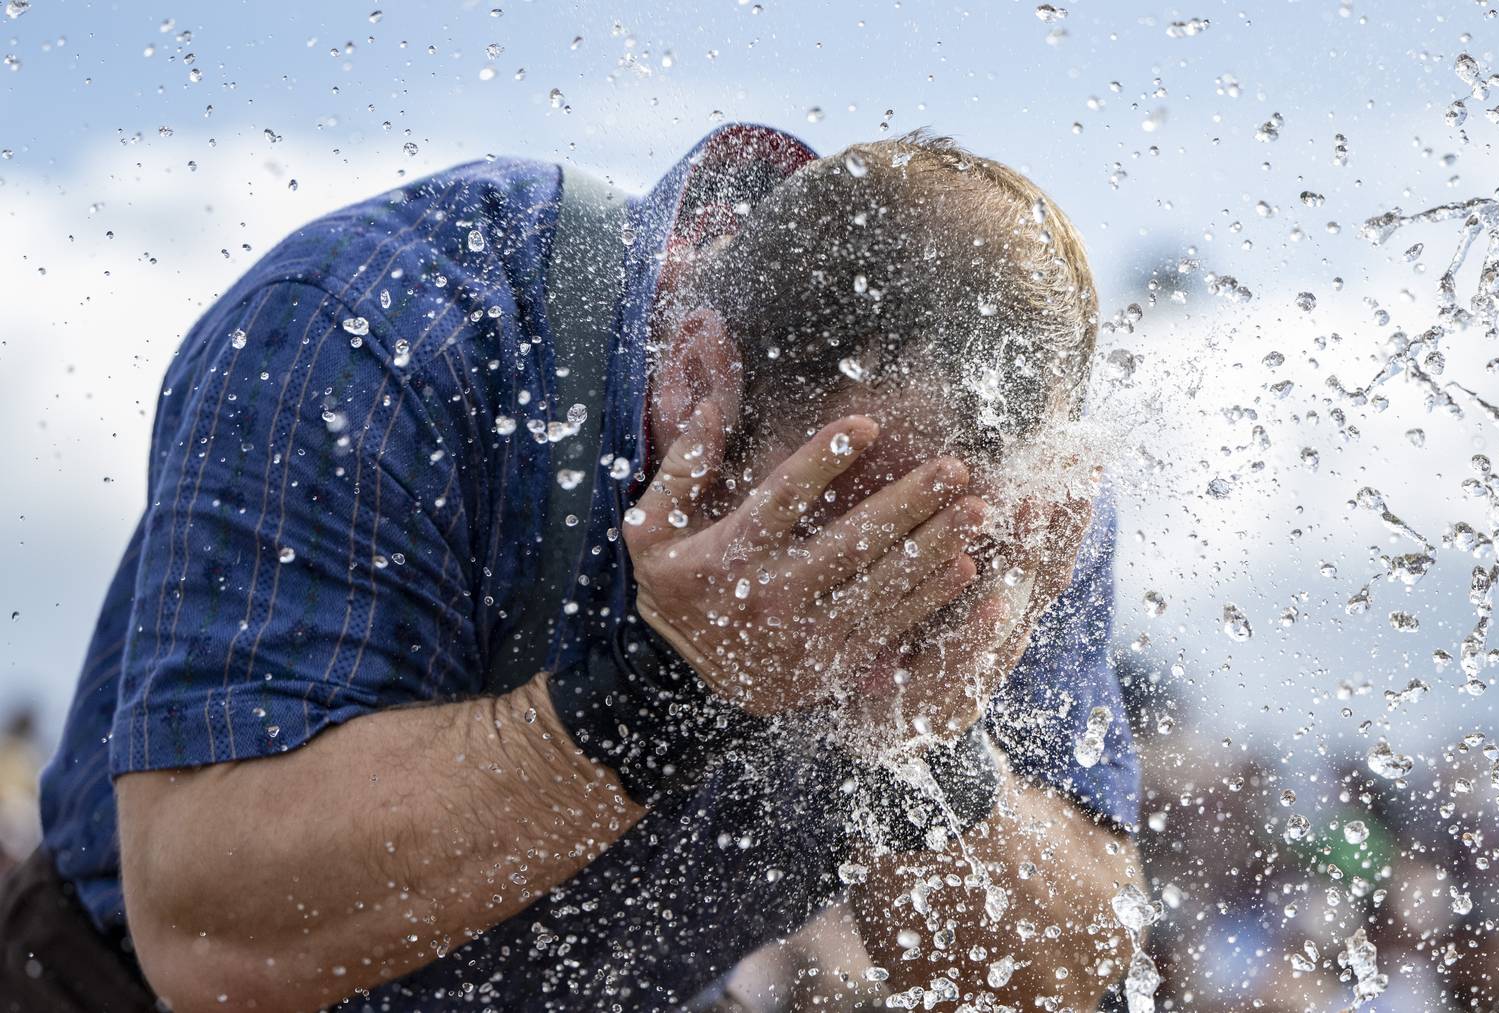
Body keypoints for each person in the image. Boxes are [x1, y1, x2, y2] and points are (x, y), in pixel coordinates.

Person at [3, 124, 1143, 1012]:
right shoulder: (381, 329)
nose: (879, 585)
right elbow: (208, 937)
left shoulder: (1004, 508)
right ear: (698, 383)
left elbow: (1052, 979)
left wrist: (927, 752)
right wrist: (667, 686)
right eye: (835, 522)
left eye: (920, 551)